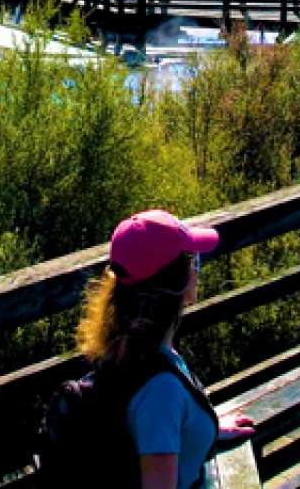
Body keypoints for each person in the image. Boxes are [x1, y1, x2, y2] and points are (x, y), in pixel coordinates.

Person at [75, 209, 256, 488]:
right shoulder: (161, 390)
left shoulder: (126, 349)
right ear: (178, 283)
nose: (198, 267)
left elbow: (155, 432)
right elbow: (157, 425)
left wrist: (202, 431)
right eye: (194, 260)